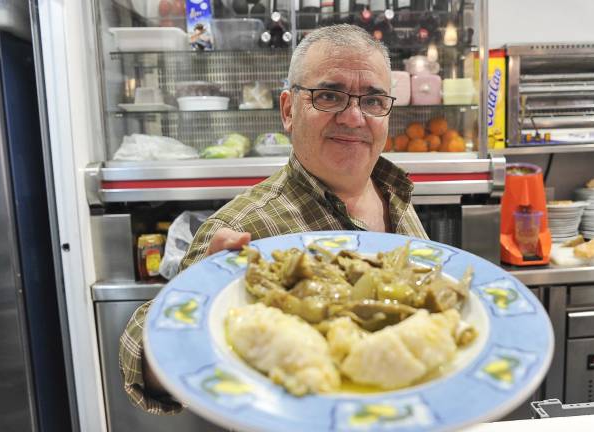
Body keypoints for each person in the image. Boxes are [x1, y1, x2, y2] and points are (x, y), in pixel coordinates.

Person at [119, 24, 428, 414]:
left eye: (372, 100)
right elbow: (135, 353)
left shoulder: (397, 195)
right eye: (329, 96)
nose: (353, 117)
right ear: (288, 110)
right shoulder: (243, 227)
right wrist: (198, 311)